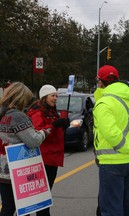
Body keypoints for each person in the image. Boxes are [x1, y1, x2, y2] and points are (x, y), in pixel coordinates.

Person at [93, 65, 129, 216]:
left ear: (101, 81)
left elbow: (111, 133)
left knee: (111, 208)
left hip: (111, 162)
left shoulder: (104, 103)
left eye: (98, 81)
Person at [0, 82, 50, 216]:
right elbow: (33, 140)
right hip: (17, 170)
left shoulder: (2, 113)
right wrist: (44, 133)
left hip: (2, 169)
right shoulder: (18, 117)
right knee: (23, 207)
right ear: (20, 98)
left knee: (7, 207)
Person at [27, 84, 70, 216]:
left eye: (56, 95)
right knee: (41, 196)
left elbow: (55, 133)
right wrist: (55, 124)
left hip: (52, 158)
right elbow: (38, 134)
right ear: (44, 97)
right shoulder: (38, 113)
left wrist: (64, 125)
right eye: (53, 95)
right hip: (43, 158)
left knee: (43, 195)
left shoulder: (51, 111)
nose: (55, 98)